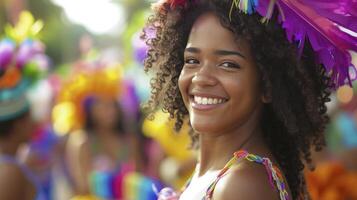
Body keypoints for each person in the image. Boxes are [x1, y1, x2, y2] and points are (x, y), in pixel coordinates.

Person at [142, 0, 357, 199]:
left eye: (228, 64)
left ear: (266, 84)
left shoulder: (241, 185)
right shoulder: (218, 172)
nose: (201, 78)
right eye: (192, 60)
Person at [0, 11, 49, 200]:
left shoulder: (13, 166)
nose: (35, 123)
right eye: (31, 116)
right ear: (18, 123)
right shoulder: (9, 172)